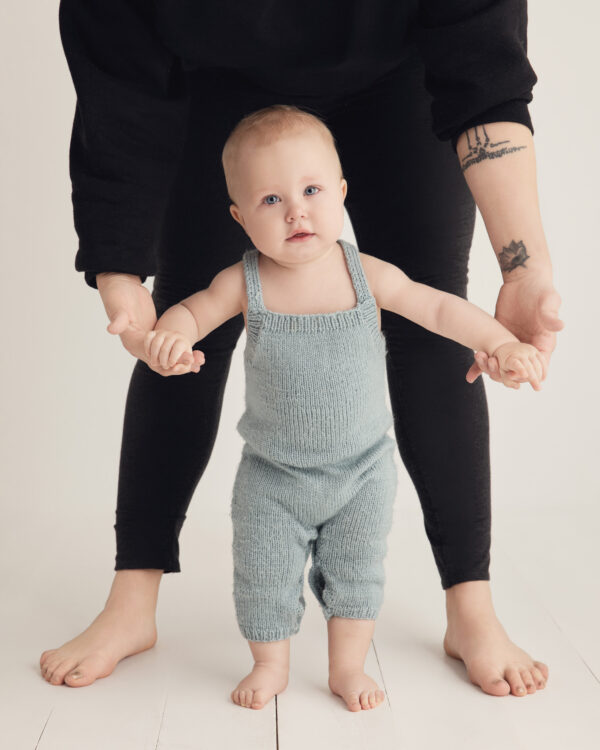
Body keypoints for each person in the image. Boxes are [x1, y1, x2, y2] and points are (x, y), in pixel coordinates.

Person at [41, 0, 562, 698]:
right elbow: (119, 77)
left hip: (398, 72)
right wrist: (120, 273)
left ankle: (471, 605)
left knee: (433, 317)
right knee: (182, 323)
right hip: (219, 79)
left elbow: (482, 60)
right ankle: (132, 600)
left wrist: (523, 270)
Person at [142, 105, 547, 711]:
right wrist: (169, 335)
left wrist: (499, 341)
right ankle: (270, 662)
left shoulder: (366, 274)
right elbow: (192, 310)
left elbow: (436, 308)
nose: (296, 210)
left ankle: (347, 667)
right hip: (271, 475)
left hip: (360, 471)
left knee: (357, 575)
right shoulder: (243, 280)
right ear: (240, 218)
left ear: (342, 194)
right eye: (271, 201)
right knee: (262, 572)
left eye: (310, 191)